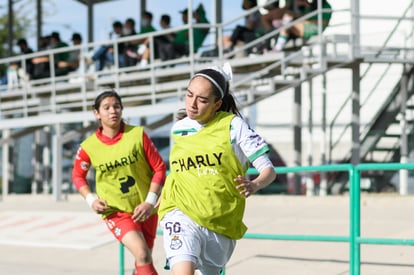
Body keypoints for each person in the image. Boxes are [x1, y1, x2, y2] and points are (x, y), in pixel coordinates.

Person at [158, 63, 277, 274]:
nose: (192, 104)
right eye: (189, 95)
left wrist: (254, 184)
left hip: (220, 220)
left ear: (217, 104)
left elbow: (268, 170)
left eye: (202, 100)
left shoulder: (234, 126)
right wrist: (158, 199)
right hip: (180, 211)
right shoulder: (179, 128)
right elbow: (178, 172)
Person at [72, 90, 167, 275]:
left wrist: (149, 201)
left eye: (116, 106)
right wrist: (91, 199)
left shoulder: (138, 135)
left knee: (143, 258)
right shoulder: (88, 147)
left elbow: (159, 168)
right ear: (96, 113)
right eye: (106, 108)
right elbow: (78, 176)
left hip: (145, 209)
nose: (112, 111)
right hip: (115, 211)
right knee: (143, 254)